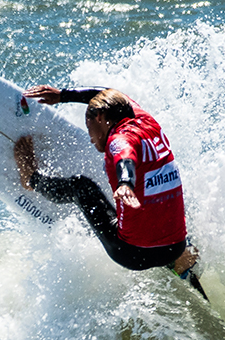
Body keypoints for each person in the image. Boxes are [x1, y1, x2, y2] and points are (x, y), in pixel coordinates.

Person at [15, 85, 206, 298]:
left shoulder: (119, 139)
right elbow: (108, 93)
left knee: (82, 187)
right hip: (175, 246)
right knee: (160, 189)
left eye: (88, 128)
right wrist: (63, 95)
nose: (90, 137)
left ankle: (31, 178)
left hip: (133, 254)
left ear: (100, 118)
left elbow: (125, 157)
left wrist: (125, 183)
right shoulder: (146, 120)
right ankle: (178, 260)